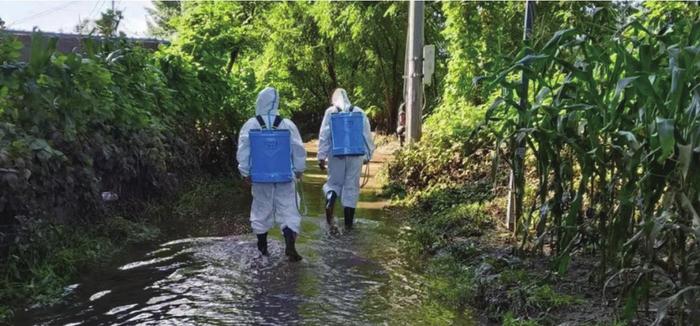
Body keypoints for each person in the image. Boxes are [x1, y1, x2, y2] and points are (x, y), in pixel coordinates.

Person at [236, 87, 306, 262]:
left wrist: (245, 172)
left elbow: (243, 149)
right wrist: (299, 169)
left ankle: (263, 250)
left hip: (260, 177)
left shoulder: (250, 124)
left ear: (259, 102)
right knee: (289, 208)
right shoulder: (287, 124)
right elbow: (298, 149)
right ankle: (289, 243)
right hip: (285, 175)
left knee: (261, 209)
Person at [317, 88, 375, 232]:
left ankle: (331, 199)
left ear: (334, 99)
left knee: (334, 183)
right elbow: (366, 136)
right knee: (351, 187)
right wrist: (368, 155)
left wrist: (321, 157)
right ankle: (349, 226)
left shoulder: (331, 112)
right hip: (355, 154)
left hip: (336, 153)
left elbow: (324, 135)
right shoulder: (359, 112)